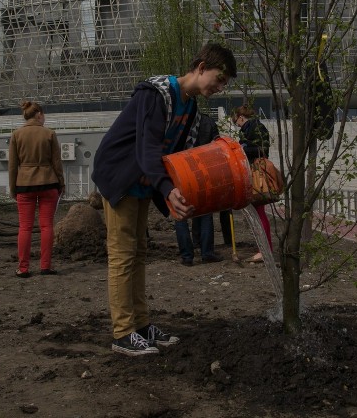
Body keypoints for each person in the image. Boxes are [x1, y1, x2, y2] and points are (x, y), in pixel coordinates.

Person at [92, 42, 237, 356]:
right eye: (219, 78)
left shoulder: (190, 107)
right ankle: (123, 332)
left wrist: (172, 197)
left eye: (225, 83)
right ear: (200, 67)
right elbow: (147, 150)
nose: (220, 87)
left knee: (139, 252)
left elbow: (174, 157)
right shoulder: (155, 94)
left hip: (143, 181)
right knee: (123, 254)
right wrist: (167, 189)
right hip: (122, 177)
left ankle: (141, 325)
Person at [8, 101, 65, 278]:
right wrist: (61, 183)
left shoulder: (16, 135)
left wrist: (13, 188)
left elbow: (12, 166)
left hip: (24, 185)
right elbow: (57, 162)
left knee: (25, 227)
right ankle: (45, 266)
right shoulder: (49, 134)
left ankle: (23, 268)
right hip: (49, 183)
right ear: (39, 114)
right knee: (46, 226)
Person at [175, 112, 223, 265]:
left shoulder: (178, 121)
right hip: (203, 171)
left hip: (180, 170)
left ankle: (187, 256)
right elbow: (217, 144)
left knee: (180, 214)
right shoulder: (208, 121)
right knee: (205, 212)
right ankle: (207, 252)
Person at [232, 105, 272, 263]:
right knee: (258, 213)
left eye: (237, 122)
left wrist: (242, 149)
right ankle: (262, 248)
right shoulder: (251, 128)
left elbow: (262, 149)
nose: (237, 125)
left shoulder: (255, 127)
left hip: (256, 173)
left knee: (260, 213)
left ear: (241, 117)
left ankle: (264, 250)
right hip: (251, 172)